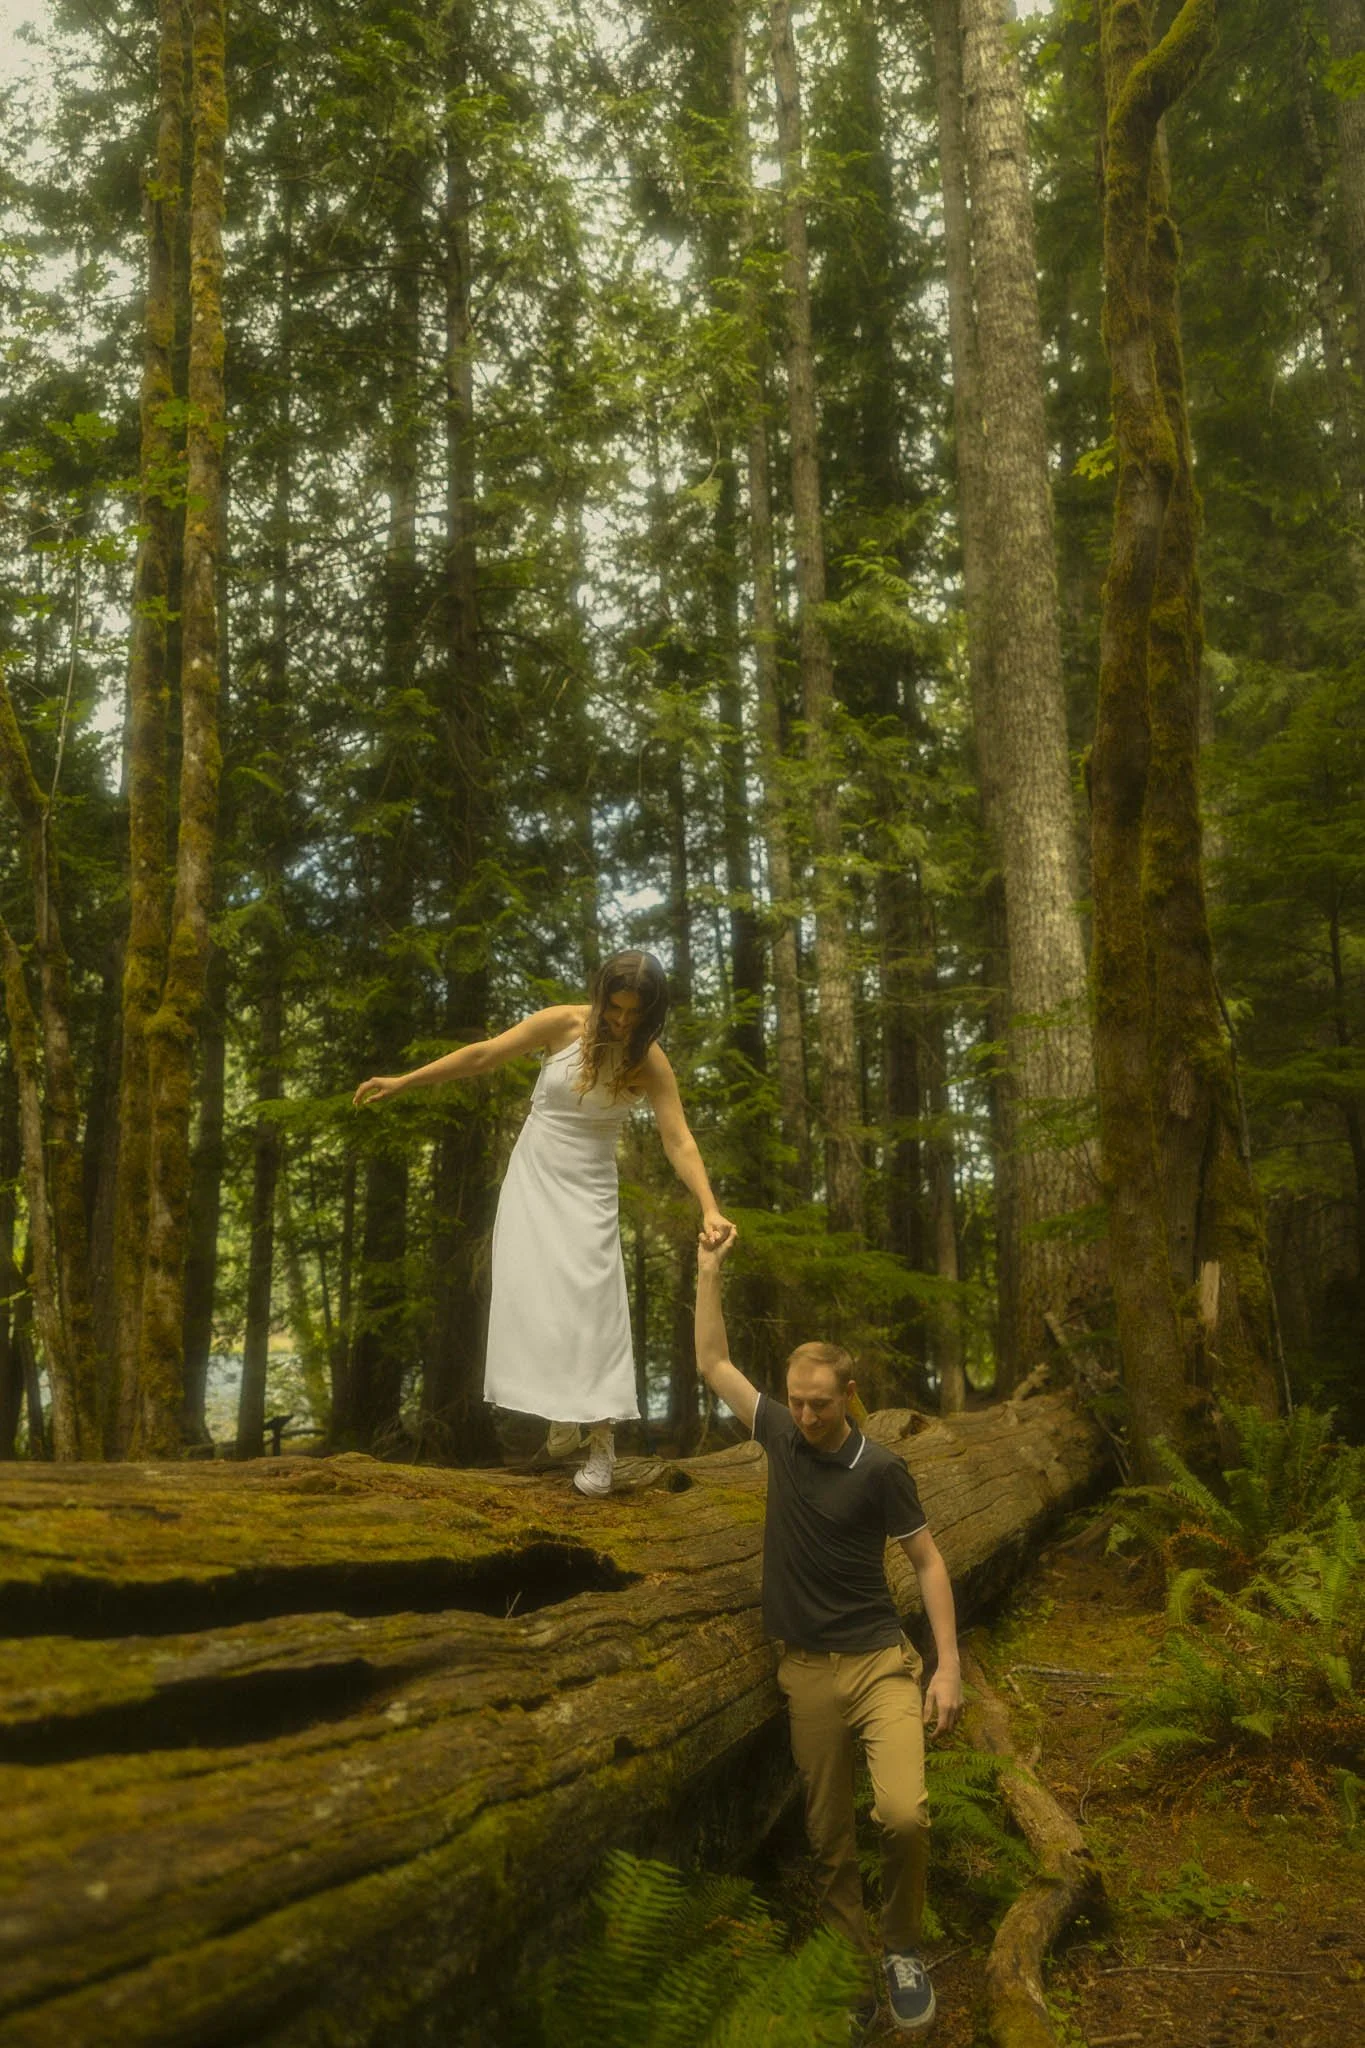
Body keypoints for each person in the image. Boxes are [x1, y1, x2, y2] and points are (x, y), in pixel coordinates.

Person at [693, 1225, 961, 2037]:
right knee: (827, 1837)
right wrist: (707, 1272)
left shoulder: (880, 1468)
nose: (805, 1414)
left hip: (879, 1664)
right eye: (796, 1399)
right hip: (804, 1671)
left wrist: (947, 1667)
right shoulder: (777, 1432)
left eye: (819, 1401)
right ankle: (849, 1968)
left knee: (903, 1815)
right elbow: (713, 1362)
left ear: (848, 1394)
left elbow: (927, 1562)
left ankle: (901, 1947)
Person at [354, 950, 732, 1496]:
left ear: (651, 1013)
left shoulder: (649, 1060)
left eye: (635, 1012)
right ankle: (561, 1410)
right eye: (616, 1008)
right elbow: (484, 1054)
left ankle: (601, 1444)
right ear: (601, 996)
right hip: (534, 1173)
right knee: (535, 1292)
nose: (622, 1020)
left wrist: (709, 1205)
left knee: (593, 1299)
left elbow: (679, 1139)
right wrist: (405, 1080)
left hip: (590, 1183)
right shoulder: (562, 1024)